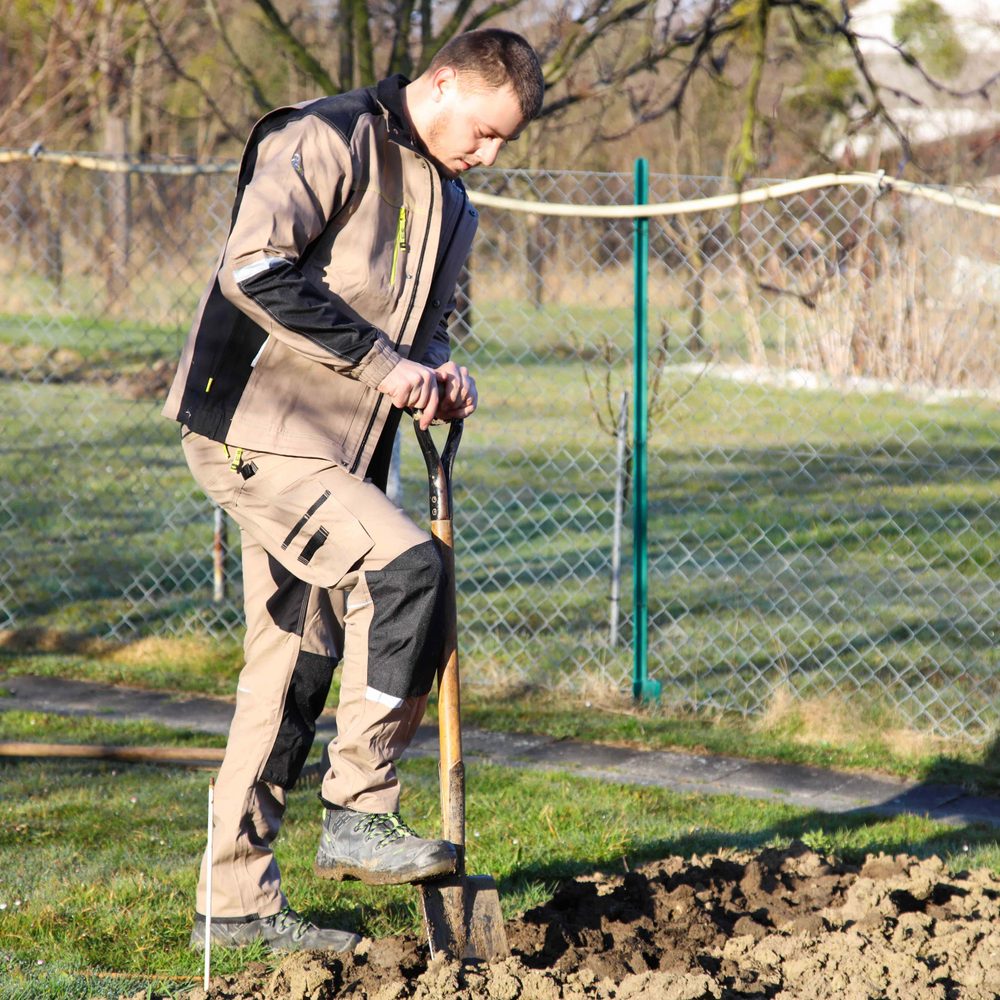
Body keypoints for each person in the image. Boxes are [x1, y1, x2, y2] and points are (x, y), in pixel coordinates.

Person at [162, 28, 544, 953]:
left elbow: (430, 330)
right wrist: (385, 366)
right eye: (483, 132)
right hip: (251, 428)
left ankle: (238, 905)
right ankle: (359, 808)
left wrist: (443, 375)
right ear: (443, 81)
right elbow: (254, 271)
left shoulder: (455, 202)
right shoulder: (329, 138)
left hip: (338, 453)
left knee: (295, 662)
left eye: (504, 144)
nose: (487, 156)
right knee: (411, 573)